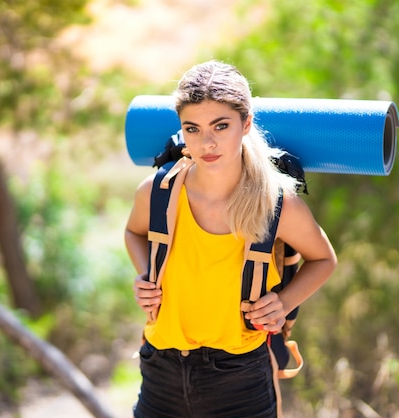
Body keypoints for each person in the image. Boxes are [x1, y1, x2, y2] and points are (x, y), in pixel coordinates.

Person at [124, 60, 337, 418]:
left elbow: (324, 259)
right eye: (192, 129)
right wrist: (147, 274)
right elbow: (133, 232)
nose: (207, 142)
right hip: (160, 370)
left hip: (239, 379)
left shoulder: (276, 203)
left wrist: (283, 303)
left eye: (220, 126)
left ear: (246, 123)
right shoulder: (158, 191)